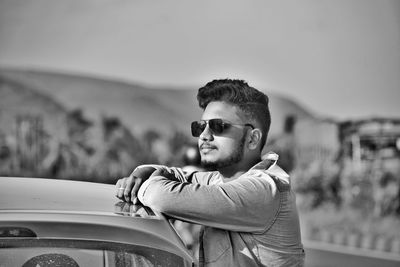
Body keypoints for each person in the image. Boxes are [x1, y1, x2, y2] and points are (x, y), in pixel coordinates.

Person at [115, 79, 305, 266]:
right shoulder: (220, 180)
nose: (204, 136)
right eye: (200, 127)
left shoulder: (262, 191)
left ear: (252, 139)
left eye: (218, 126)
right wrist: (142, 173)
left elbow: (159, 196)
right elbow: (172, 174)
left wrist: (144, 183)